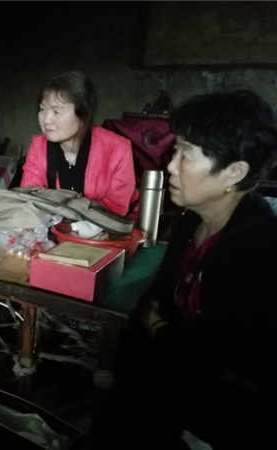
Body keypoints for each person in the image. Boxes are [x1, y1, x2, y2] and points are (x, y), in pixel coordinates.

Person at [93, 89, 277, 450]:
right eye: (176, 149)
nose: (171, 166)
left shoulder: (259, 251)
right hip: (174, 377)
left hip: (235, 410)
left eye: (187, 154)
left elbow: (212, 358)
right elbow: (164, 301)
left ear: (234, 172)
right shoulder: (190, 222)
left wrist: (156, 325)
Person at [20, 71, 138, 217]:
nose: (46, 119)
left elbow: (116, 208)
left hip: (104, 227)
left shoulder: (117, 148)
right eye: (42, 109)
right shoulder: (39, 145)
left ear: (84, 115)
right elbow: (29, 197)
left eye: (56, 111)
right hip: (54, 226)